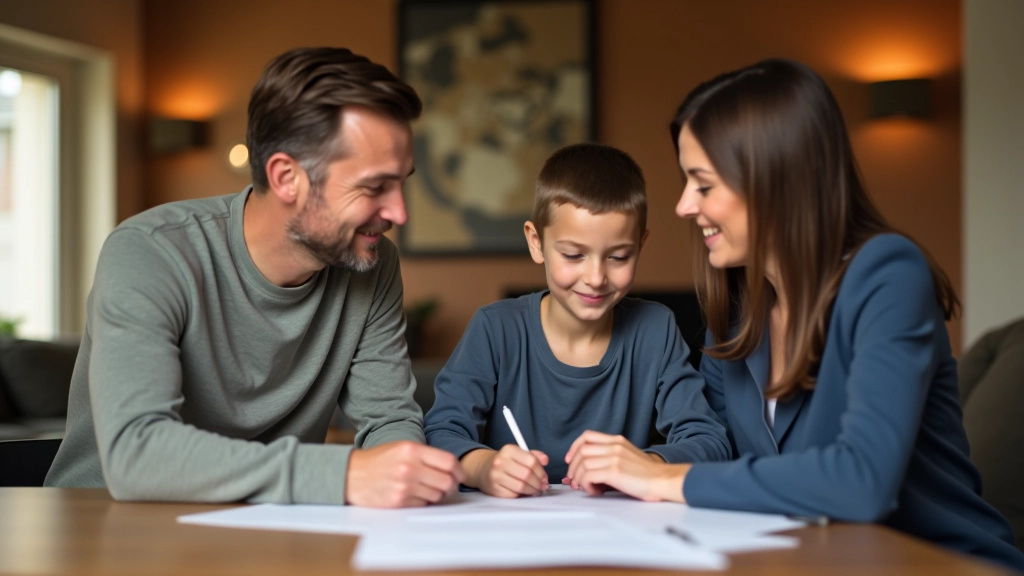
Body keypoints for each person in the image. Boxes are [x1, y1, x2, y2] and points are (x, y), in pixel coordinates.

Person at [562, 59, 1024, 569]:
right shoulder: (738, 312)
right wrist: (639, 463)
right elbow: (717, 448)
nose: (683, 206)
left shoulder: (888, 274)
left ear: (773, 179)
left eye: (704, 184)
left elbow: (861, 481)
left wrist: (660, 479)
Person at [44, 47, 465, 508]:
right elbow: (137, 453)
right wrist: (345, 475)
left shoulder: (372, 262)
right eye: (373, 187)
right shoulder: (151, 251)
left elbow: (388, 419)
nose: (398, 213)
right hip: (105, 531)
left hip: (267, 528)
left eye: (402, 182)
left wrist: (409, 474)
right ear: (286, 177)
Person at [424, 143, 730, 498]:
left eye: (618, 256)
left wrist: (645, 467)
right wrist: (483, 467)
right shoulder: (495, 329)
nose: (596, 277)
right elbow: (440, 433)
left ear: (640, 246)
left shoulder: (654, 329)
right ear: (536, 243)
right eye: (573, 255)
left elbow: (709, 442)